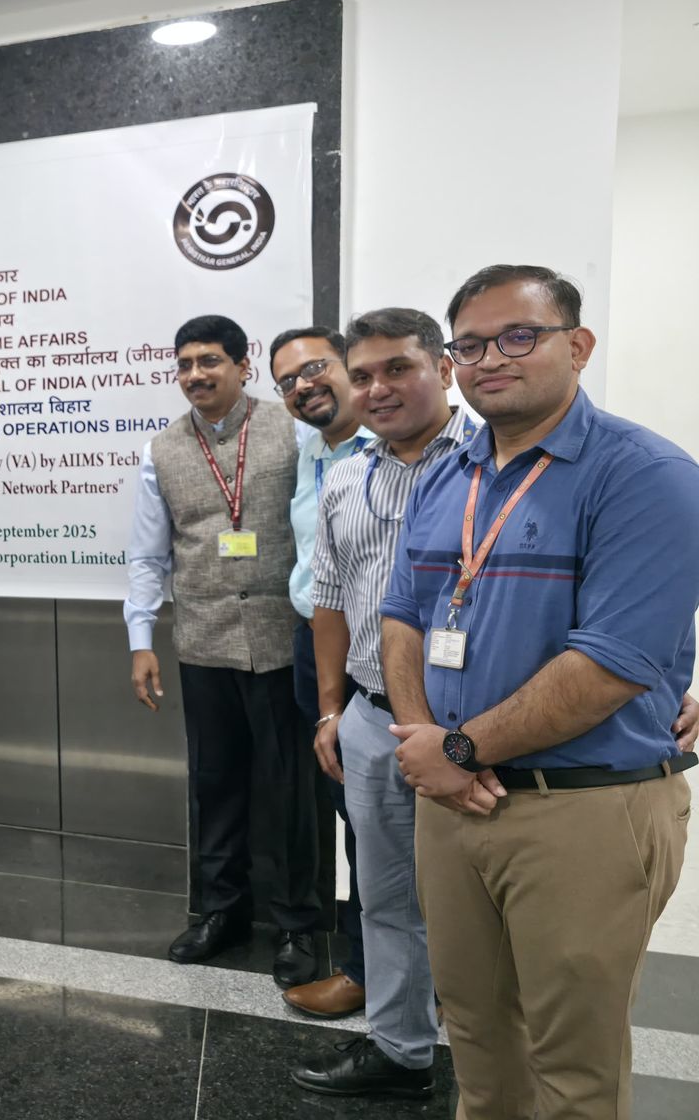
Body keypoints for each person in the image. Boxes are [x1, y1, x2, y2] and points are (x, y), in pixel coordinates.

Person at [382, 265, 699, 1120]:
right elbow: (402, 614)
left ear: (578, 345)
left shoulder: (646, 474)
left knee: (574, 1072)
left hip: (583, 807)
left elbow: (610, 665)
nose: (491, 359)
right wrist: (423, 744)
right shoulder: (449, 474)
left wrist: (457, 749)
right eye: (471, 345)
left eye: (518, 336)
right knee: (477, 1044)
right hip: (454, 803)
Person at [283, 309, 473, 1097]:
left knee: (481, 903)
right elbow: (329, 599)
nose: (377, 389)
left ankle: (499, 1063)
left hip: (474, 730)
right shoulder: (346, 477)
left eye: (398, 368)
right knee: (386, 896)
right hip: (369, 717)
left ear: (445, 368)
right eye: (362, 375)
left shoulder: (495, 462)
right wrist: (332, 710)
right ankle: (401, 1052)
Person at [126, 315, 320, 986]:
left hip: (282, 641)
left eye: (209, 361)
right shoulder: (161, 449)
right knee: (215, 785)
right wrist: (140, 639)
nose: (195, 375)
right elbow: (148, 555)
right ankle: (221, 911)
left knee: (291, 790)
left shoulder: (295, 431)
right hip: (203, 643)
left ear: (243, 366)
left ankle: (298, 924)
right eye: (184, 364)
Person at [270, 326, 369, 1020]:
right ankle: (376, 966)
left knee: (382, 821)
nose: (302, 387)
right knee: (353, 812)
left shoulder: (396, 448)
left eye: (314, 369)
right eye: (287, 382)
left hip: (382, 652)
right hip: (318, 645)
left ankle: (376, 971)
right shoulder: (311, 452)